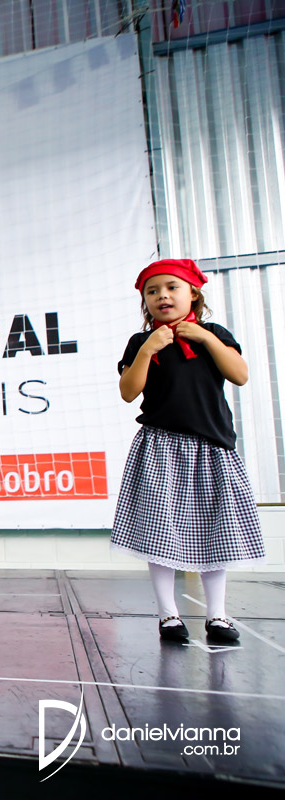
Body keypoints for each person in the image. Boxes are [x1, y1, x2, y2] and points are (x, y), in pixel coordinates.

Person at [112, 259, 264, 643]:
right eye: (152, 291)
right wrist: (148, 349)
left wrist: (207, 340)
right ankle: (168, 615)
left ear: (193, 293)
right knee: (159, 530)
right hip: (160, 446)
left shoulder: (213, 333)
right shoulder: (141, 342)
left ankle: (218, 615)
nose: (162, 296)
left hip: (211, 446)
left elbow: (240, 374)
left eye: (171, 287)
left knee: (215, 530)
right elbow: (129, 392)